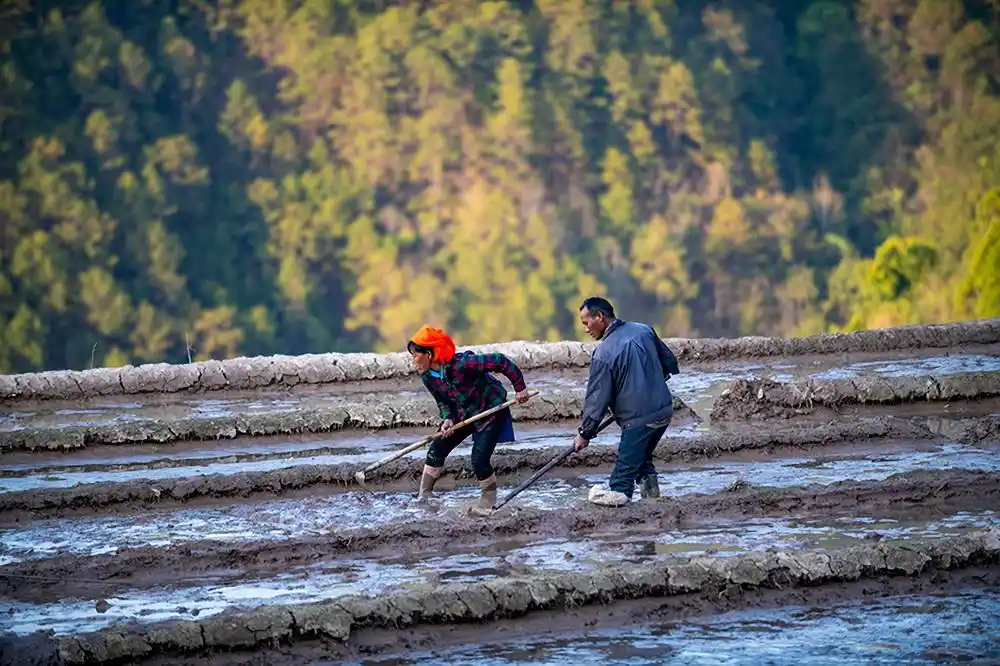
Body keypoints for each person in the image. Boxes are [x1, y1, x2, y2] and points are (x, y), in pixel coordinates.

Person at [407, 324, 532, 513]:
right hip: (462, 411)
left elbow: (500, 361)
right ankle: (424, 495)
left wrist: (520, 387)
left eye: (415, 355)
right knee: (437, 448)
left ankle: (488, 501)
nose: (413, 360)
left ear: (430, 355)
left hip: (489, 410)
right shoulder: (427, 377)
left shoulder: (464, 364)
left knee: (479, 459)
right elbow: (442, 401)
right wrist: (447, 419)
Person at [572, 297, 680, 507]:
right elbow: (669, 363)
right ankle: (653, 504)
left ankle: (621, 521)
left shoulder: (603, 353)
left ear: (600, 317)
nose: (586, 329)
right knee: (641, 459)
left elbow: (597, 400)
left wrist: (585, 433)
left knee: (621, 481)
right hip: (664, 411)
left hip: (638, 420)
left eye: (586, 323)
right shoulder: (644, 330)